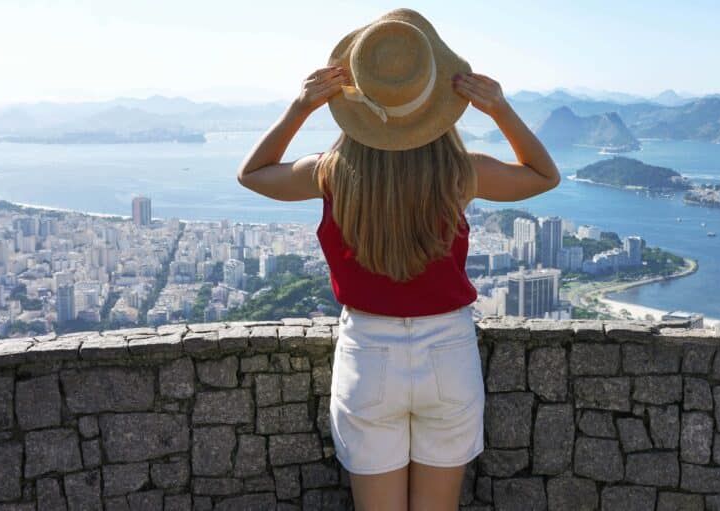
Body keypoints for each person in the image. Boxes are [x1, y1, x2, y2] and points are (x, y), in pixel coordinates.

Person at [236, 8, 558, 510]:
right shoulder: (461, 172)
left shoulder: (331, 173)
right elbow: (543, 175)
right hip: (449, 351)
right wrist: (499, 109)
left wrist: (301, 107)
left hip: (368, 352)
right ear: (437, 101)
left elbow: (253, 173)